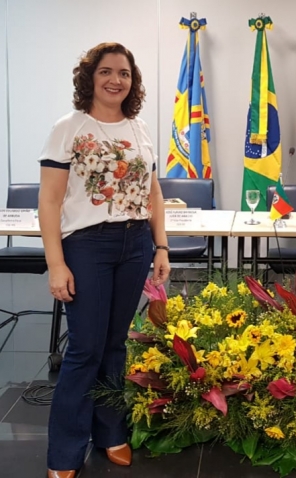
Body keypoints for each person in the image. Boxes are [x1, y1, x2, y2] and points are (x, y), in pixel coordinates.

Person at [38, 43, 171, 478]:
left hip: (135, 246)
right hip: (87, 246)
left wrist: (162, 246)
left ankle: (111, 432)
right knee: (84, 348)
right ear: (89, 78)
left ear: (133, 83)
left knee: (115, 346)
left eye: (125, 74)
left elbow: (154, 193)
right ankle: (64, 453)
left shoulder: (140, 129)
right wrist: (56, 264)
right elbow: (50, 201)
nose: (116, 80)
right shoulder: (69, 127)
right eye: (107, 72)